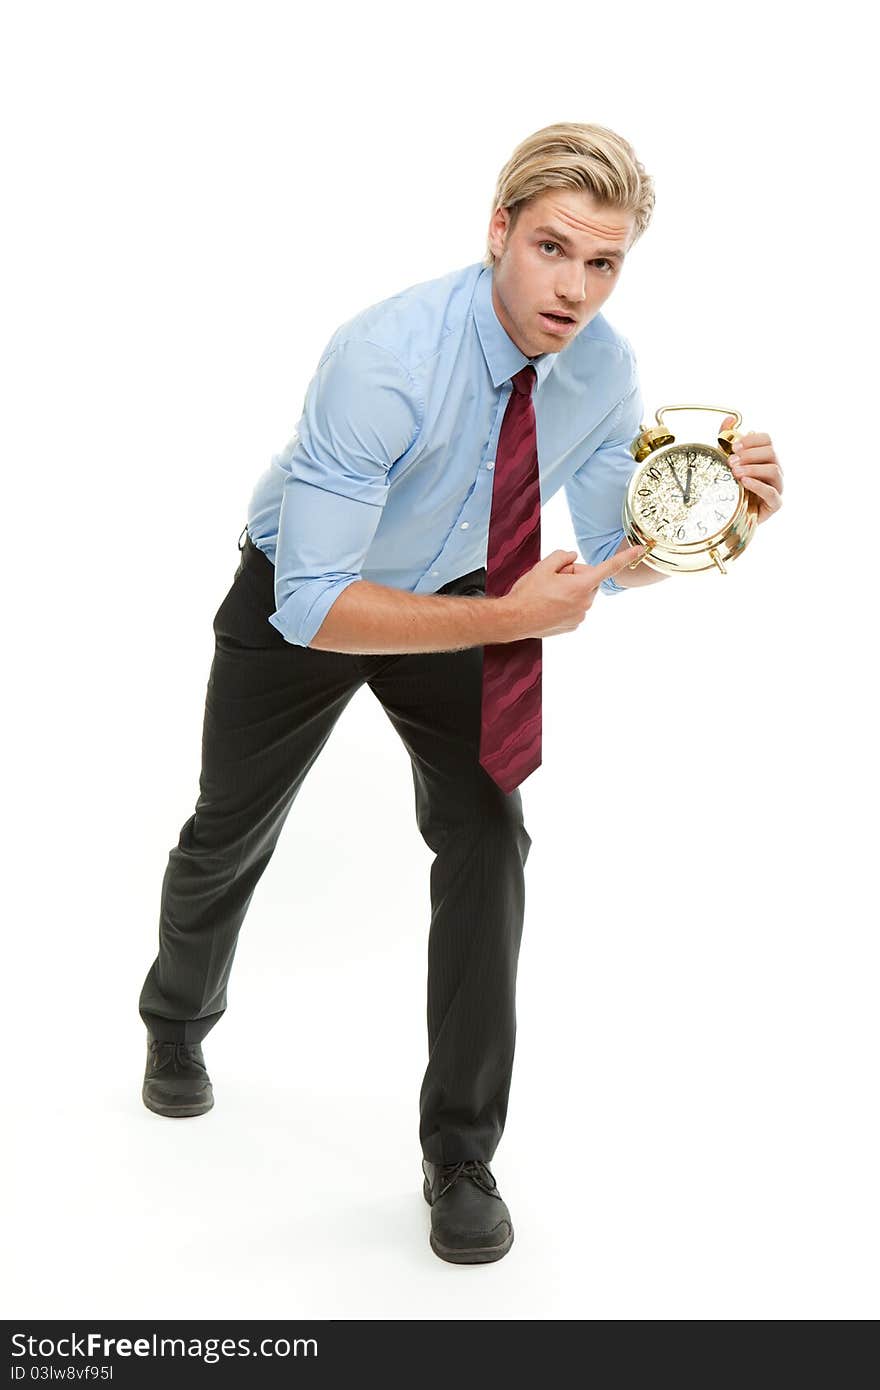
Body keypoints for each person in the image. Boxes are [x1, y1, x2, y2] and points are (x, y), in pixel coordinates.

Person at [137, 122, 783, 1266]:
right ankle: (176, 1023)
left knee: (491, 835)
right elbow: (314, 603)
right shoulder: (384, 359)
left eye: (603, 263)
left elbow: (597, 551)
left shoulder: (602, 366)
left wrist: (705, 524)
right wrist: (508, 618)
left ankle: (459, 1153)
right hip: (306, 594)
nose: (573, 288)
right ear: (497, 233)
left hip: (458, 594)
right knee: (228, 827)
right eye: (551, 250)